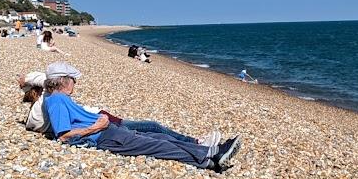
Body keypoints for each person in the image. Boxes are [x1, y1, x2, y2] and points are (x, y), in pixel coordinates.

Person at [42, 62, 241, 172]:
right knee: (160, 146)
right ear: (64, 81)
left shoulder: (59, 98)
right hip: (104, 136)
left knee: (161, 138)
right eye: (73, 80)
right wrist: (96, 127)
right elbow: (64, 135)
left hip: (109, 132)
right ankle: (210, 159)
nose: (75, 84)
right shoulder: (57, 100)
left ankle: (212, 154)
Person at [19, 70, 217, 148]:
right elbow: (42, 79)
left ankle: (196, 144)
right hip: (100, 120)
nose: (74, 84)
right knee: (152, 128)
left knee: (150, 131)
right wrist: (25, 81)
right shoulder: (50, 96)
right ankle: (197, 142)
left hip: (98, 118)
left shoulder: (48, 99)